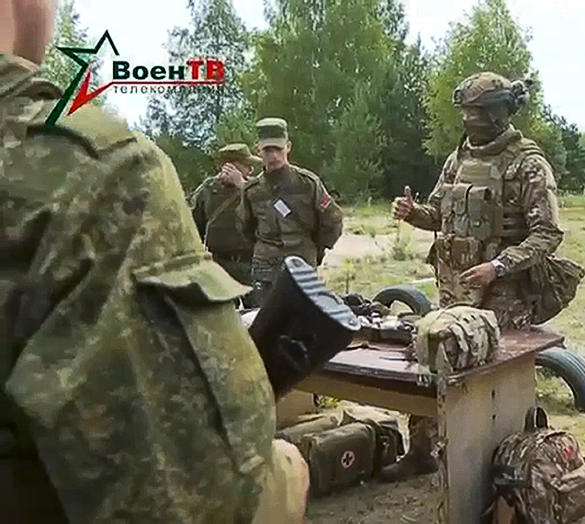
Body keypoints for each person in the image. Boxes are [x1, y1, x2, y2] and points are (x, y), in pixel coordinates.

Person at [0, 1, 308, 521]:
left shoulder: (303, 186)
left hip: (286, 270)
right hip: (246, 272)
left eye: (269, 152)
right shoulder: (96, 178)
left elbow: (330, 223)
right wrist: (282, 480)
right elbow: (203, 506)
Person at [385, 72, 565, 482]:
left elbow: (548, 234)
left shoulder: (527, 163)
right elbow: (439, 215)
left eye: (478, 111)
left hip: (504, 295)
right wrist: (413, 214)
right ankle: (421, 451)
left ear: (500, 112)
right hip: (453, 288)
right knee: (432, 362)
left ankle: (513, 467)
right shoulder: (457, 159)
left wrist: (499, 267)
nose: (470, 119)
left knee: (499, 384)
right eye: (465, 111)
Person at [239, 117, 343, 305]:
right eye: (268, 150)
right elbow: (245, 227)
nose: (274, 156)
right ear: (258, 150)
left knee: (302, 322)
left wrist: (317, 250)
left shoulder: (307, 183)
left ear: (288, 147)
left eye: (278, 149)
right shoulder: (252, 190)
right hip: (265, 269)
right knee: (264, 322)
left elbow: (332, 220)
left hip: (302, 262)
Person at [190, 143, 261, 286]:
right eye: (246, 165)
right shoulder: (207, 191)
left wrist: (242, 186)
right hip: (219, 265)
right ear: (229, 166)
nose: (251, 169)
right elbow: (193, 228)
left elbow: (267, 215)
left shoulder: (255, 188)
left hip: (250, 264)